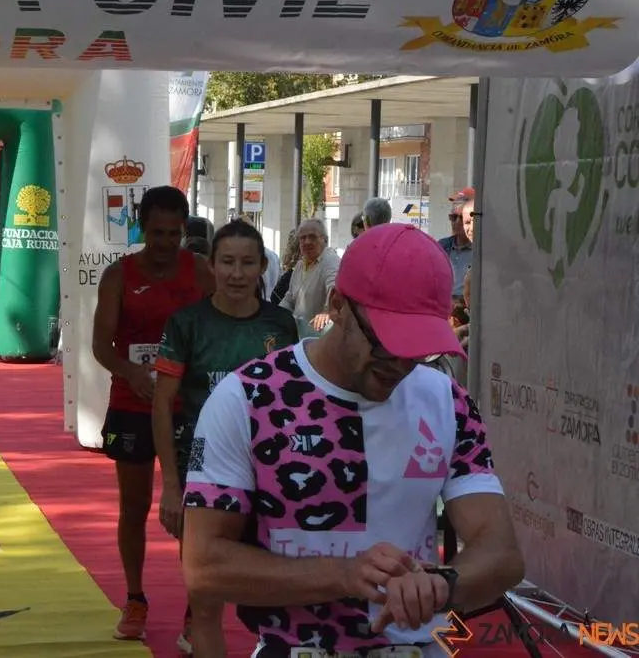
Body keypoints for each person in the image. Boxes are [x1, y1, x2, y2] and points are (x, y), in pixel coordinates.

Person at [181, 223, 524, 658]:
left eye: (418, 346)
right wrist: (342, 576)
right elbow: (203, 566)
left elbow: (502, 554)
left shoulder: (446, 401)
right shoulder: (247, 398)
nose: (399, 363)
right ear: (338, 305)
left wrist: (440, 585)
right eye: (384, 342)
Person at [153, 220, 298, 655]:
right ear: (212, 265)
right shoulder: (186, 324)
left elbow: (292, 403)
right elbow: (162, 405)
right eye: (228, 262)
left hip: (270, 475)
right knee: (205, 604)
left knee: (280, 600)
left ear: (262, 267)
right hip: (204, 476)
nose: (237, 274)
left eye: (247, 263)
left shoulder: (281, 325)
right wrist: (171, 485)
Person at [91, 185, 214, 642]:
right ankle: (135, 599)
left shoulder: (199, 271)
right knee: (134, 505)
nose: (165, 242)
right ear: (142, 228)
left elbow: (217, 328)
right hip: (133, 403)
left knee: (192, 510)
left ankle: (194, 611)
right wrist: (132, 373)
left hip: (188, 407)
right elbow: (100, 346)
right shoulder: (118, 276)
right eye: (157, 233)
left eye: (174, 234)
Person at [278, 219, 340, 337]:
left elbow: (335, 287)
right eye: (303, 238)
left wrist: (328, 311)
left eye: (312, 237)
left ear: (325, 240)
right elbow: (290, 298)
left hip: (320, 338)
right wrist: (276, 314)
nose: (307, 242)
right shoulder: (300, 265)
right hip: (299, 336)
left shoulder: (331, 261)